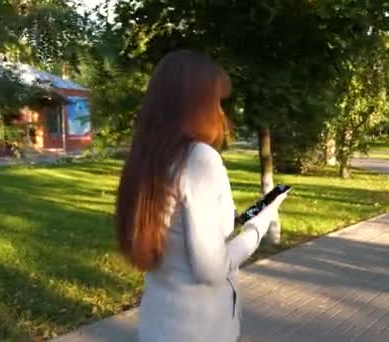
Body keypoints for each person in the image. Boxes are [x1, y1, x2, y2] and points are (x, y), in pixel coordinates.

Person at [115, 50, 287, 342]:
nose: (221, 113)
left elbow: (184, 230)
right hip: (199, 330)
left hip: (158, 325)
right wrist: (258, 227)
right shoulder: (199, 158)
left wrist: (240, 217)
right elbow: (211, 268)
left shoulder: (147, 157)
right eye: (216, 102)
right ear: (195, 106)